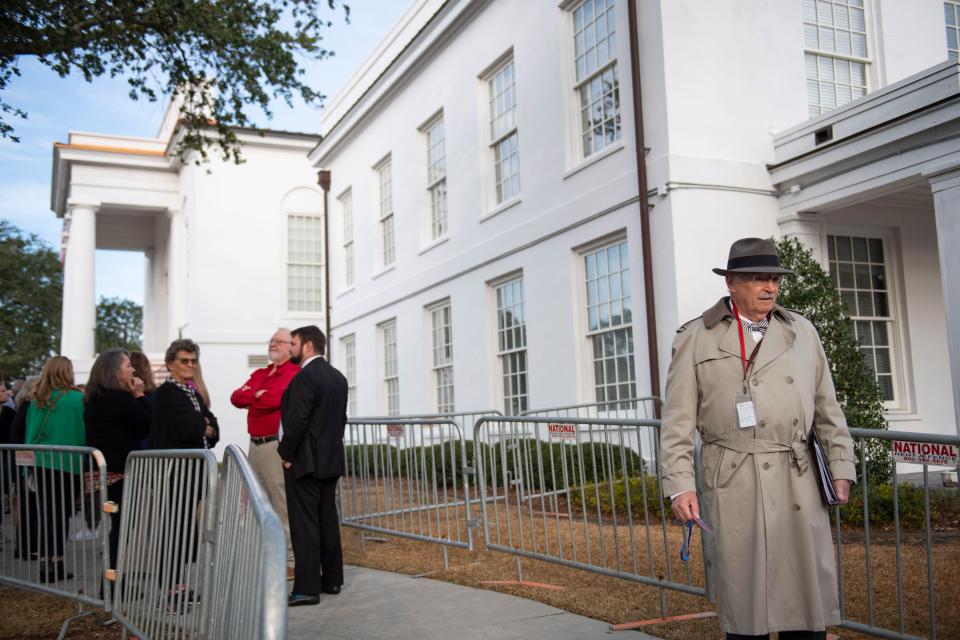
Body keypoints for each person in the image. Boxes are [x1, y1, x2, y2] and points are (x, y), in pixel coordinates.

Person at [659, 237, 857, 640]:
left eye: (774, 279)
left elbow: (827, 409)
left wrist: (841, 466)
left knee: (804, 605)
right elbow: (678, 422)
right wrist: (680, 485)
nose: (769, 287)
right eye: (756, 279)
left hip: (795, 475)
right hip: (733, 477)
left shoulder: (802, 331)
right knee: (745, 603)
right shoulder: (696, 337)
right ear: (731, 282)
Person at [279, 325, 348, 607]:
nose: (290, 348)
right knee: (327, 519)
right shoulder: (338, 377)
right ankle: (331, 579)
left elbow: (297, 422)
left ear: (307, 346)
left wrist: (286, 453)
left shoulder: (305, 377)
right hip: (330, 459)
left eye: (293, 343)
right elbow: (340, 420)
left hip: (305, 462)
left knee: (305, 524)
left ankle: (307, 588)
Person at [230, 328, 299, 559]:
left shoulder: (293, 372)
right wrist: (255, 396)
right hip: (254, 445)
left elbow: (275, 399)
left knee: (281, 503)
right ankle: (265, 554)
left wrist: (256, 397)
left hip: (273, 446)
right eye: (271, 340)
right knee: (255, 501)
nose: (273, 344)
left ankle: (289, 557)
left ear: (291, 346)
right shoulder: (262, 372)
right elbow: (236, 397)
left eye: (279, 341)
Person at [83, 349, 151, 579]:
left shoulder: (93, 398)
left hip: (98, 473)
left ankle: (110, 583)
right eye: (128, 366)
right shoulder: (120, 398)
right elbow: (144, 424)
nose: (133, 369)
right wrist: (140, 395)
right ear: (114, 371)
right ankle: (110, 586)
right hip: (119, 474)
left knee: (114, 529)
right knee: (120, 530)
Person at [25, 356, 86, 583]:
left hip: (40, 463)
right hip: (68, 464)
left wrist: (26, 469)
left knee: (46, 515)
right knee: (61, 515)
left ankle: (45, 564)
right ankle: (57, 563)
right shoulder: (77, 399)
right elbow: (82, 434)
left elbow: (30, 435)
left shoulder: (37, 400)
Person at [151, 339, 219, 450]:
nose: (190, 365)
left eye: (194, 361)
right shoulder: (166, 392)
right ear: (170, 365)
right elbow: (189, 426)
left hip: (197, 463)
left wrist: (206, 426)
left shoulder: (194, 393)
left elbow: (213, 424)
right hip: (175, 464)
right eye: (184, 361)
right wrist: (203, 424)